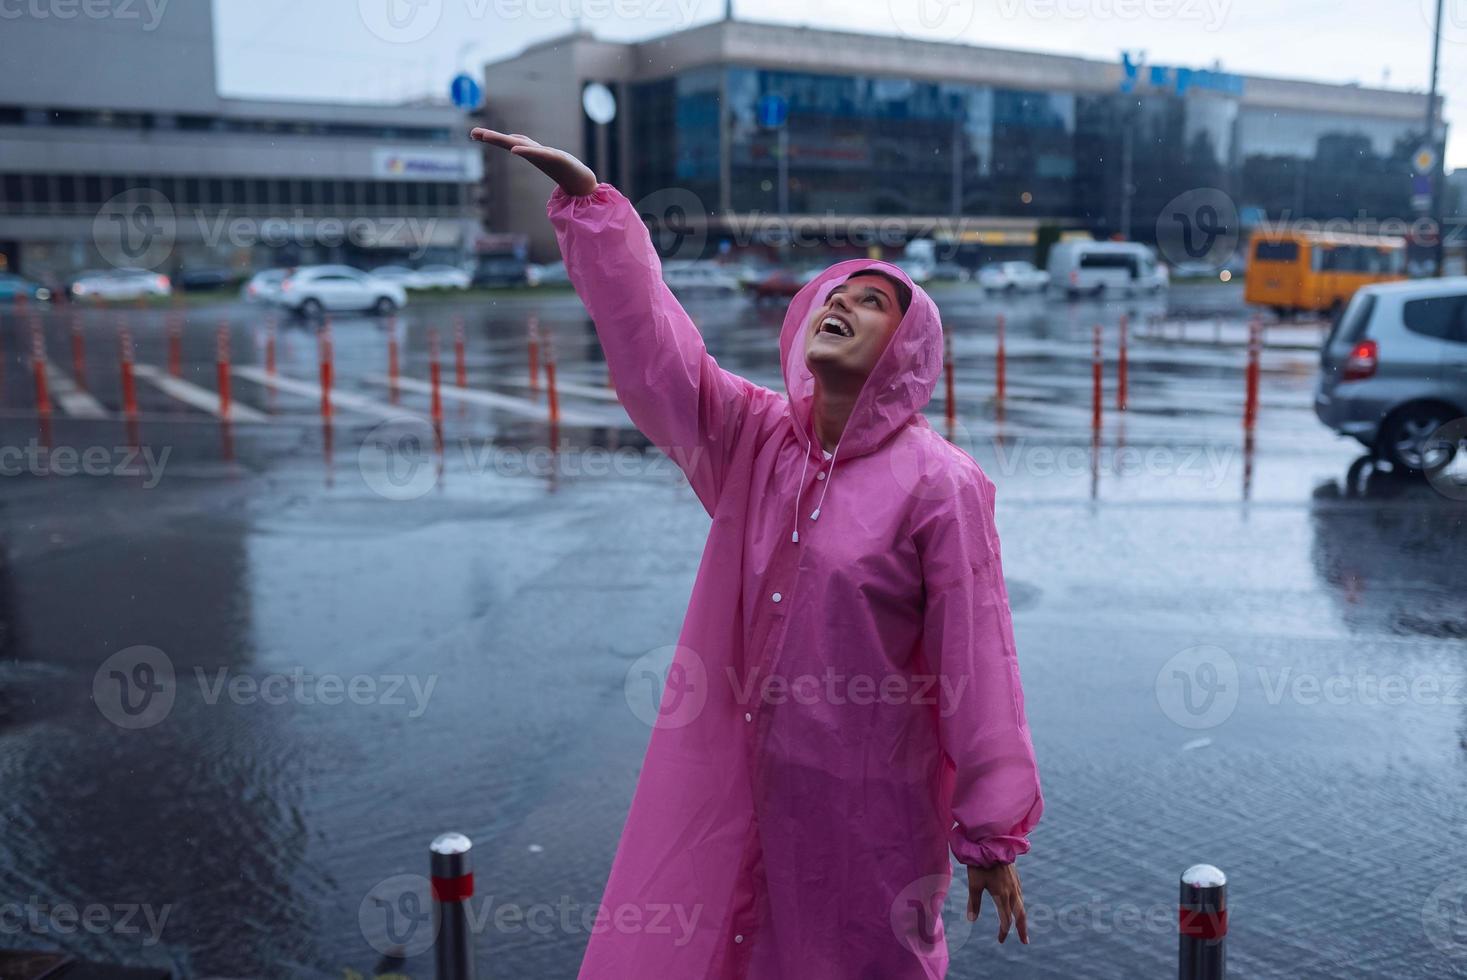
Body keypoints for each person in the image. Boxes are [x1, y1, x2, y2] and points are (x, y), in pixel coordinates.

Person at [472, 128, 1043, 980]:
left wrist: (990, 831)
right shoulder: (754, 437)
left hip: (867, 812)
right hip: (737, 787)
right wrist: (592, 207)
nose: (838, 304)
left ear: (906, 349)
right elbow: (656, 354)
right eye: (831, 294)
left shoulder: (938, 484)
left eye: (873, 302)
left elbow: (979, 659)